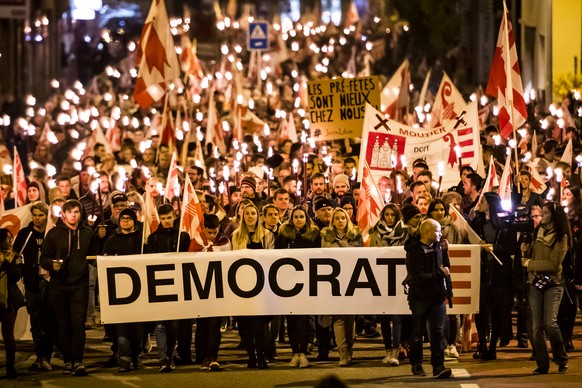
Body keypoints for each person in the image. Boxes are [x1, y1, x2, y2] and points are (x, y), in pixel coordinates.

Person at [40, 199, 96, 376]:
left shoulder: (87, 233)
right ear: (63, 214)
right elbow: (44, 259)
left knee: (78, 324)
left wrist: (100, 238)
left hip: (79, 284)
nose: (74, 215)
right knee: (63, 325)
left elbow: (94, 255)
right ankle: (67, 361)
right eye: (70, 211)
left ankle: (78, 361)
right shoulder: (54, 234)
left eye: (77, 212)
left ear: (80, 213)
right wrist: (51, 265)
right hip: (59, 284)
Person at [521, 202, 570, 374]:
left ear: (554, 216)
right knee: (536, 327)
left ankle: (560, 357)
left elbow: (554, 264)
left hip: (553, 283)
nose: (542, 216)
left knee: (550, 323)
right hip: (535, 282)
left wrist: (530, 264)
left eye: (545, 213)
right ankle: (542, 364)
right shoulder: (537, 232)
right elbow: (530, 256)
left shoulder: (561, 237)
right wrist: (525, 252)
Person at [404, 219, 452, 379]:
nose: (441, 234)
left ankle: (438, 366)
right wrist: (440, 273)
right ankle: (416, 364)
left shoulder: (439, 247)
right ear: (427, 232)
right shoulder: (414, 251)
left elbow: (445, 267)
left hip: (437, 297)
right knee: (418, 332)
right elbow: (419, 278)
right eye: (437, 231)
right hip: (419, 298)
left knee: (438, 332)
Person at [145, 203, 190, 372]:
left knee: (175, 324)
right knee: (160, 324)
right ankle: (164, 356)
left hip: (179, 283)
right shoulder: (153, 238)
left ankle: (175, 353)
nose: (167, 221)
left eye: (169, 218)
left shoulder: (182, 237)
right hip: (160, 285)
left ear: (174, 216)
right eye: (163, 219)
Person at [275, 206, 321, 369]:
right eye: (296, 217)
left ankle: (303, 351)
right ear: (291, 219)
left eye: (302, 217)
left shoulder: (314, 235)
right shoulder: (283, 235)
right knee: (291, 319)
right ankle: (295, 352)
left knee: (303, 318)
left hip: (306, 281)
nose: (299, 220)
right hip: (288, 283)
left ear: (306, 218)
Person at [232, 203, 275, 369]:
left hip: (261, 285)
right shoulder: (236, 236)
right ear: (243, 217)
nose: (250, 216)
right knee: (246, 324)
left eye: (253, 213)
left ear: (258, 216)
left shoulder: (267, 235)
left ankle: (261, 356)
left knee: (259, 323)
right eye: (247, 214)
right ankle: (251, 357)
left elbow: (271, 257)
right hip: (242, 285)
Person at [12, 202, 54, 371]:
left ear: (47, 216)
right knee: (36, 321)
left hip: (49, 283)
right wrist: (22, 270)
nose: (37, 219)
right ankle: (39, 356)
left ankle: (47, 355)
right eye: (35, 215)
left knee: (48, 320)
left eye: (41, 215)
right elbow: (16, 255)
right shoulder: (25, 234)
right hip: (31, 283)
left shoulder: (52, 233)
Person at [102, 208, 144, 372]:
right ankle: (124, 358)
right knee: (122, 327)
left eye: (129, 218)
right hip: (119, 291)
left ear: (135, 221)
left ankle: (137, 356)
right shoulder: (112, 241)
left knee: (138, 327)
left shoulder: (141, 241)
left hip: (139, 290)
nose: (125, 221)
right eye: (122, 218)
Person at [321, 207, 363, 366]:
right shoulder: (327, 236)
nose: (340, 221)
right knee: (338, 318)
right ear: (332, 221)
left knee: (350, 318)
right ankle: (343, 354)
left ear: (347, 220)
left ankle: (350, 351)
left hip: (352, 281)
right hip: (334, 283)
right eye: (337, 218)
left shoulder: (355, 236)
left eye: (343, 218)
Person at [368, 204, 409, 366]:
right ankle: (387, 350)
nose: (390, 218)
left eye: (393, 215)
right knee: (384, 317)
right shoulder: (376, 233)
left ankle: (395, 350)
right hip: (381, 280)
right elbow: (371, 255)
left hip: (399, 280)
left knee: (398, 316)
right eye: (387, 215)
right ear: (382, 216)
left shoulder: (406, 233)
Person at [192, 214, 231, 371]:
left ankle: (212, 356)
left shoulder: (224, 243)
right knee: (202, 324)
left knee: (214, 325)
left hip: (217, 289)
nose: (213, 236)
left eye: (215, 232)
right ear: (204, 229)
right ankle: (202, 356)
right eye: (209, 232)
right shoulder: (195, 242)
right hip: (200, 289)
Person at [0, 228, 25, 379]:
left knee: (8, 336)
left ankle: (11, 366)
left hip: (8, 300)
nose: (10, 241)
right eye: (6, 238)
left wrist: (4, 263)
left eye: (11, 238)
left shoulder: (16, 256)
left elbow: (16, 275)